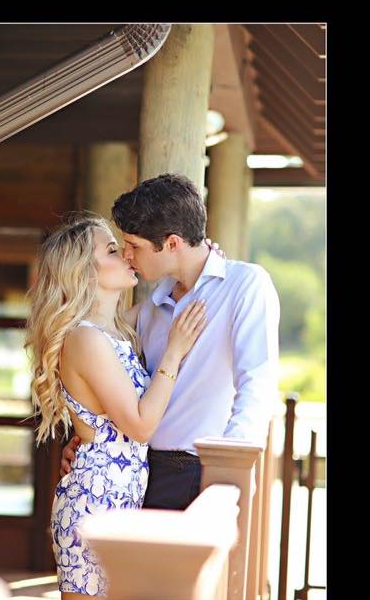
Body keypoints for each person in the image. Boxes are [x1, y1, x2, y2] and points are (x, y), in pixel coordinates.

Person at [60, 173, 281, 513]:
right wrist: (87, 439)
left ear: (173, 243)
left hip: (202, 473)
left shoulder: (245, 286)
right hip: (141, 475)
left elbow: (257, 385)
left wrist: (228, 470)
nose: (128, 255)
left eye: (134, 245)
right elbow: (102, 369)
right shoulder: (151, 307)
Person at [25, 214, 207, 600]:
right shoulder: (85, 339)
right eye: (112, 250)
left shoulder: (117, 332)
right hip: (93, 504)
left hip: (120, 499)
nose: (126, 254)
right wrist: (173, 352)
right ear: (84, 272)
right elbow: (140, 426)